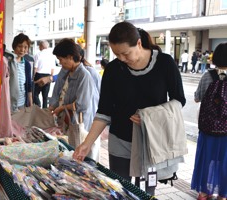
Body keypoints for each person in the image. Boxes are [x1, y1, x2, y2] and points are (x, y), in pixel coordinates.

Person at [72, 21, 186, 195]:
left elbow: (179, 100)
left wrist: (150, 116)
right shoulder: (112, 70)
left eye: (125, 53)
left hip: (152, 141)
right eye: (117, 54)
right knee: (119, 189)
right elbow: (104, 112)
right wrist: (86, 144)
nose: (122, 59)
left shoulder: (165, 63)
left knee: (147, 193)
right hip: (120, 140)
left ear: (138, 44)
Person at [48, 38, 100, 161]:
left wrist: (62, 107)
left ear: (70, 57)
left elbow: (82, 105)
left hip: (80, 123)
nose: (60, 63)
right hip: (69, 121)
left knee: (80, 155)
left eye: (61, 59)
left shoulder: (84, 75)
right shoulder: (68, 72)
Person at [191, 43, 227, 200]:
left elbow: (197, 98)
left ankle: (205, 192)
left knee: (207, 159)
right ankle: (223, 194)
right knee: (225, 162)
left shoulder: (207, 75)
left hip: (208, 129)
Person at [9, 33, 33, 113]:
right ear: (14, 46)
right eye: (20, 46)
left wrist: (31, 104)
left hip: (22, 103)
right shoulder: (8, 62)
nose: (22, 50)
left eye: (25, 47)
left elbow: (29, 85)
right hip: (9, 103)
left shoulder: (27, 64)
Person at [33, 40, 56, 108]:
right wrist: (50, 77)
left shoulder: (38, 54)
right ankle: (44, 111)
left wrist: (33, 77)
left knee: (35, 94)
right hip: (48, 76)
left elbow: (35, 68)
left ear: (41, 46)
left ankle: (38, 106)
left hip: (38, 75)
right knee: (45, 96)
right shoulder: (52, 56)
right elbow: (52, 69)